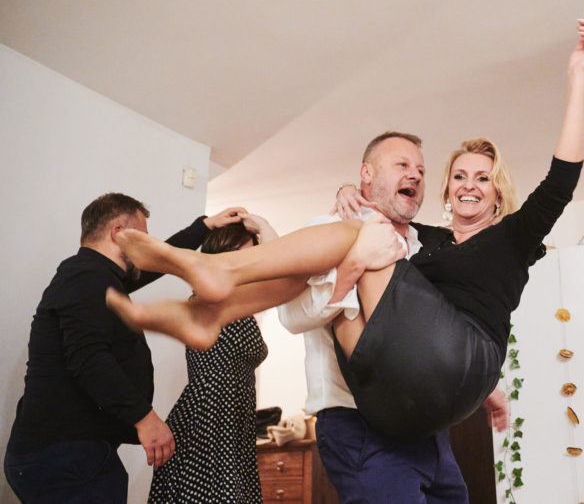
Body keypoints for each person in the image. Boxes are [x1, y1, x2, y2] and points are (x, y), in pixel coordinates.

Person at [106, 18, 584, 443]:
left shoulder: (511, 238)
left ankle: (218, 280)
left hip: (463, 359)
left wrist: (577, 77)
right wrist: (350, 189)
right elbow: (382, 219)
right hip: (395, 401)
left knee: (366, 235)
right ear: (448, 191)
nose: (469, 185)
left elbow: (561, 180)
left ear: (498, 193)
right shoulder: (427, 242)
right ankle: (212, 310)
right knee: (365, 237)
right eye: (458, 176)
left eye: (483, 178)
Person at [277, 131, 506, 502]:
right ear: (367, 173)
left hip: (429, 430)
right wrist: (352, 266)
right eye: (402, 164)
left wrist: (480, 386)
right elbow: (291, 315)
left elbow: (435, 332)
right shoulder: (329, 227)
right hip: (360, 425)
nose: (414, 174)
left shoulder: (426, 246)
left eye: (421, 170)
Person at [4, 192, 243, 504]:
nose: (148, 248)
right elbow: (88, 358)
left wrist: (204, 227)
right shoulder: (85, 276)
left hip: (72, 454)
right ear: (119, 233)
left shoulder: (96, 276)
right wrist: (145, 418)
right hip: (64, 457)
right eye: (143, 238)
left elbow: (158, 263)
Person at [149, 215, 275, 503]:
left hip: (234, 426)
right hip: (207, 423)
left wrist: (262, 229)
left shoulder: (237, 303)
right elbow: (285, 272)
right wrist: (262, 227)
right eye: (241, 255)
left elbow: (280, 271)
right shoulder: (210, 302)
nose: (249, 264)